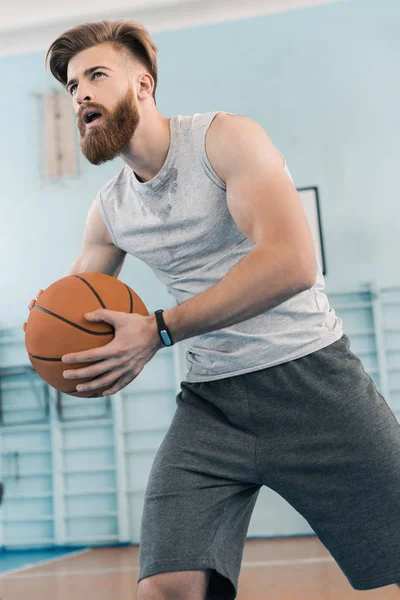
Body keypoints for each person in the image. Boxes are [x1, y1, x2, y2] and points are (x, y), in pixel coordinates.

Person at [24, 19, 400, 600]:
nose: (82, 95)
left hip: (313, 382)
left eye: (97, 76)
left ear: (144, 85)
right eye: (72, 87)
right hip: (212, 405)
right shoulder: (111, 209)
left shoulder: (224, 140)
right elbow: (77, 306)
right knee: (167, 588)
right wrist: (45, 325)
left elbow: (292, 262)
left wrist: (159, 330)